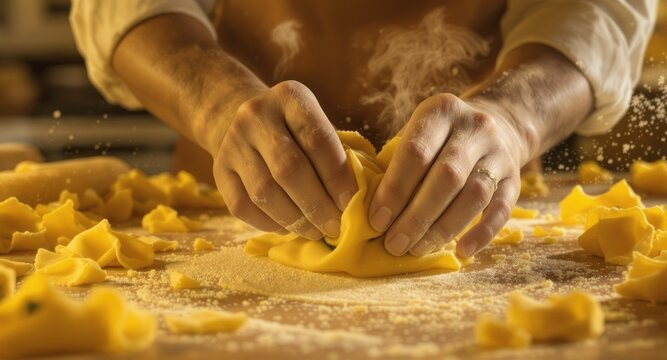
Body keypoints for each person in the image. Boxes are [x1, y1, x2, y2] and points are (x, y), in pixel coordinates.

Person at [70, 1, 656, 259]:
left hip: (476, 199)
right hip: (225, 199)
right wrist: (217, 103)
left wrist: (512, 115)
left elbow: (601, 7)